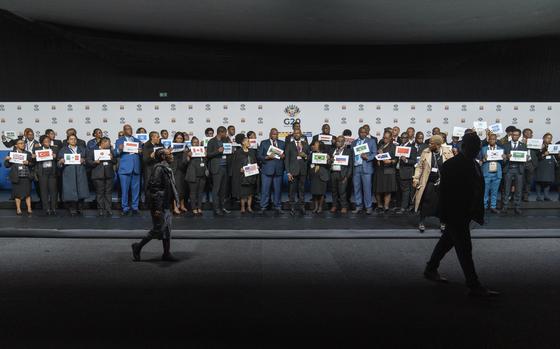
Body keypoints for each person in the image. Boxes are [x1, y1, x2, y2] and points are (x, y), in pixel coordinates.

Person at [424, 132, 500, 298]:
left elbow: (477, 189)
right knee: (465, 249)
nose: (476, 150)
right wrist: (446, 215)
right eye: (473, 147)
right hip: (456, 213)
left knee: (447, 241)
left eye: (478, 147)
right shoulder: (452, 165)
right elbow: (446, 193)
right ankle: (474, 285)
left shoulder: (475, 164)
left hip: (467, 213)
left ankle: (430, 269)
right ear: (464, 146)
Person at [131, 148, 179, 262]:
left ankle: (166, 254)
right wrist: (157, 208)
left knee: (167, 229)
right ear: (163, 156)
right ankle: (137, 246)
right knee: (158, 229)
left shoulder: (166, 168)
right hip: (159, 205)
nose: (172, 156)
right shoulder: (158, 169)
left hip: (166, 203)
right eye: (169, 154)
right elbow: (155, 190)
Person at [413, 135, 454, 233]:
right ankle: (422, 222)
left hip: (443, 183)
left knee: (442, 203)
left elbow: (453, 168)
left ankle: (442, 223)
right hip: (428, 182)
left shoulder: (447, 152)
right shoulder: (426, 152)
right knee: (425, 201)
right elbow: (419, 167)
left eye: (432, 143)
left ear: (438, 145)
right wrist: (415, 179)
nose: (429, 145)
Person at [114, 124, 142, 216]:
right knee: (124, 190)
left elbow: (142, 154)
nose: (129, 130)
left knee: (136, 190)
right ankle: (125, 208)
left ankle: (135, 207)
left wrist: (141, 151)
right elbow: (115, 153)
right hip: (124, 169)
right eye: (127, 129)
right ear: (124, 130)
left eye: (130, 128)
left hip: (136, 168)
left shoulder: (138, 141)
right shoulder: (119, 141)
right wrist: (119, 149)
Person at [58, 134, 89, 216]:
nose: (73, 140)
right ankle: (72, 208)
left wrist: (84, 160)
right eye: (71, 139)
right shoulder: (63, 150)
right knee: (70, 191)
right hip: (69, 173)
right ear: (68, 141)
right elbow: (58, 163)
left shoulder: (82, 149)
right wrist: (61, 162)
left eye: (75, 139)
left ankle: (80, 208)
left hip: (80, 172)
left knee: (81, 190)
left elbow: (88, 160)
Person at [257, 128, 285, 215]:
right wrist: (266, 157)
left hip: (278, 170)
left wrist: (284, 156)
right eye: (273, 134)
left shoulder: (282, 143)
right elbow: (259, 156)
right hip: (266, 170)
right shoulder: (263, 143)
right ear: (270, 134)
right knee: (265, 190)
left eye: (276, 134)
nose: (274, 136)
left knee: (278, 190)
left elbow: (285, 155)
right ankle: (263, 207)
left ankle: (278, 206)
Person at [3, 138, 34, 216]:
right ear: (16, 145)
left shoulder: (28, 153)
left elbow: (33, 164)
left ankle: (29, 208)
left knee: (27, 194)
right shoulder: (11, 153)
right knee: (17, 194)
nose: (22, 145)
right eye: (20, 143)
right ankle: (18, 209)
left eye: (23, 143)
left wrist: (28, 162)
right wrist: (7, 160)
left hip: (26, 176)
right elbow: (7, 166)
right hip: (16, 176)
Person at [87, 137, 115, 216]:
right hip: (98, 175)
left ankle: (108, 209)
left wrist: (112, 158)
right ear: (103, 143)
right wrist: (94, 162)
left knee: (108, 193)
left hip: (109, 175)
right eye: (108, 143)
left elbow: (115, 161)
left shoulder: (110, 151)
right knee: (100, 193)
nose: (109, 144)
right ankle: (100, 209)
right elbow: (88, 161)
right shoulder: (93, 150)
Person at [351, 127, 377, 214]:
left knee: (367, 189)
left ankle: (368, 207)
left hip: (366, 167)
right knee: (356, 188)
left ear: (367, 133)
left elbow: (374, 153)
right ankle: (358, 206)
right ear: (358, 133)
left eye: (364, 132)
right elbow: (352, 156)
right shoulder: (354, 142)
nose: (362, 134)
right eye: (361, 132)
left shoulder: (371, 141)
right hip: (356, 167)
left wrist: (368, 157)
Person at [206, 126, 231, 215]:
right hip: (217, 168)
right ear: (221, 132)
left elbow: (228, 152)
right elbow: (208, 154)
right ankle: (216, 209)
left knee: (223, 190)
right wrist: (218, 151)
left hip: (225, 168)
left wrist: (230, 148)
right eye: (225, 133)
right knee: (216, 190)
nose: (226, 134)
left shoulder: (225, 140)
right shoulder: (211, 141)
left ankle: (222, 207)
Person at [285, 129, 310, 215]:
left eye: (298, 133)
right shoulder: (289, 145)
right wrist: (288, 172)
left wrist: (306, 156)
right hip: (293, 171)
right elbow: (286, 159)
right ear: (293, 134)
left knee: (302, 190)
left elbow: (309, 157)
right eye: (295, 133)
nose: (296, 134)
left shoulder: (306, 144)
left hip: (303, 171)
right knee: (292, 190)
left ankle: (301, 207)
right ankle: (292, 207)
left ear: (301, 134)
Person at [501, 128, 527, 215]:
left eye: (516, 135)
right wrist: (505, 157)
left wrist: (526, 158)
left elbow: (526, 158)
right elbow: (503, 159)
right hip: (509, 168)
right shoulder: (505, 145)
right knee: (506, 189)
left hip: (519, 169)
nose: (515, 136)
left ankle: (517, 207)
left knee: (518, 190)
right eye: (513, 135)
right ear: (511, 135)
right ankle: (505, 207)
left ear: (519, 136)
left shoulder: (523, 146)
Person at [231, 134, 258, 214]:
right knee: (243, 193)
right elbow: (235, 164)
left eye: (249, 141)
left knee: (250, 193)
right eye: (247, 141)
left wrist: (257, 166)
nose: (249, 142)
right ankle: (242, 208)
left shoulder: (252, 151)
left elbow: (255, 161)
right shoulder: (238, 152)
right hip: (242, 176)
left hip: (251, 175)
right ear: (243, 143)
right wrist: (240, 168)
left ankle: (249, 208)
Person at [374, 130, 398, 213]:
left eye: (387, 138)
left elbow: (396, 159)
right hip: (379, 170)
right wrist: (377, 158)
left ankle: (386, 207)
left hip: (389, 170)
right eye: (384, 137)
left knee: (388, 189)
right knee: (378, 189)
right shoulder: (380, 146)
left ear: (391, 138)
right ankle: (379, 205)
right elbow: (375, 157)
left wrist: (391, 161)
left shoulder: (394, 147)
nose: (385, 139)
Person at [479, 133, 503, 213]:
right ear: (488, 140)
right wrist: (484, 159)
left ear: (496, 140)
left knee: (494, 192)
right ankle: (484, 206)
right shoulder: (483, 149)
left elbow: (503, 162)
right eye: (490, 139)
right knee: (485, 191)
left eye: (494, 139)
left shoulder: (500, 149)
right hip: (487, 173)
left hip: (497, 173)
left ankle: (493, 206)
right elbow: (480, 161)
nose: (492, 140)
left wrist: (505, 158)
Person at [35, 135, 59, 215]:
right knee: (44, 191)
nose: (47, 143)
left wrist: (55, 157)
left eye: (49, 141)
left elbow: (59, 158)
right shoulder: (37, 149)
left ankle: (54, 208)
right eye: (45, 141)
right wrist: (34, 156)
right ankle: (46, 209)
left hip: (52, 171)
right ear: (42, 142)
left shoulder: (54, 148)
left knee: (53, 191)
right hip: (42, 172)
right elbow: (33, 159)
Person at [330, 135, 353, 214]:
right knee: (334, 191)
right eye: (337, 141)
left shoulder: (348, 151)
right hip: (333, 173)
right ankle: (334, 205)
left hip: (342, 174)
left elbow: (350, 165)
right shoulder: (332, 150)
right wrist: (330, 160)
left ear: (343, 142)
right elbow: (328, 162)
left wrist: (347, 176)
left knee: (342, 192)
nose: (338, 143)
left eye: (340, 141)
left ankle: (344, 206)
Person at [185, 137, 208, 216]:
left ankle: (199, 208)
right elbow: (184, 162)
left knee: (200, 193)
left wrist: (206, 155)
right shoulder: (188, 151)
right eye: (194, 142)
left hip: (202, 175)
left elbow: (205, 162)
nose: (196, 143)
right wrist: (188, 156)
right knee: (193, 193)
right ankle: (194, 208)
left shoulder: (202, 150)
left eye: (197, 142)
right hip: (193, 175)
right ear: (191, 143)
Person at [396, 132, 417, 214]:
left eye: (405, 137)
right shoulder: (399, 146)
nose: (403, 139)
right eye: (402, 137)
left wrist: (406, 160)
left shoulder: (412, 148)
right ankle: (406, 206)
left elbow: (414, 161)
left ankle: (404, 207)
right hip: (398, 171)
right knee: (402, 191)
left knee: (406, 190)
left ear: (408, 138)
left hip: (407, 172)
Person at [308, 140, 330, 214]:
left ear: (320, 146)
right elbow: (309, 162)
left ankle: (320, 207)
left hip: (322, 175)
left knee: (322, 192)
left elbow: (328, 165)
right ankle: (316, 207)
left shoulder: (326, 154)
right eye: (314, 145)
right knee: (314, 192)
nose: (314, 146)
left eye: (316, 145)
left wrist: (328, 159)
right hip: (314, 175)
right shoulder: (312, 154)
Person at [170, 132, 188, 214]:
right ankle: (175, 207)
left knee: (183, 189)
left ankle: (182, 205)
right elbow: (167, 158)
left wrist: (186, 153)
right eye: (178, 138)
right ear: (175, 139)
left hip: (183, 169)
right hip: (175, 170)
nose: (179, 140)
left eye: (181, 138)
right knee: (176, 189)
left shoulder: (185, 147)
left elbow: (188, 158)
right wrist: (169, 152)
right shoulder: (171, 146)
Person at [534, 133, 556, 201]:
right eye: (547, 138)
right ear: (543, 138)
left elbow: (555, 156)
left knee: (548, 181)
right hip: (541, 164)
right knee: (539, 180)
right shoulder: (538, 146)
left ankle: (546, 196)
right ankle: (538, 196)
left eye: (550, 138)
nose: (549, 139)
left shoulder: (552, 146)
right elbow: (535, 156)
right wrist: (543, 154)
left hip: (549, 165)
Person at [142, 131, 161, 204]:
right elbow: (145, 160)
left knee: (158, 186)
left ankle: (157, 203)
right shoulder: (146, 145)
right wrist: (151, 156)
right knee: (148, 186)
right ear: (152, 137)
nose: (159, 138)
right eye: (157, 137)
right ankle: (148, 204)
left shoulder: (160, 145)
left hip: (158, 169)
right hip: (149, 170)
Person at [521, 128, 538, 202]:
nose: (528, 134)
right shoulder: (519, 141)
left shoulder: (536, 142)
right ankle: (519, 196)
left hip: (531, 163)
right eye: (526, 133)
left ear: (532, 135)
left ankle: (526, 196)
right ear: (523, 134)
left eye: (529, 133)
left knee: (528, 181)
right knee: (520, 181)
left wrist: (542, 148)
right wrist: (524, 144)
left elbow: (538, 153)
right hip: (521, 163)